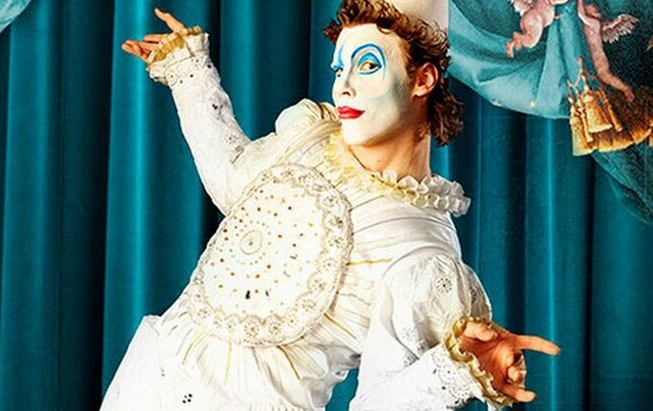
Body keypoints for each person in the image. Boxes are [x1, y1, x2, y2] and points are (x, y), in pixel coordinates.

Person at [108, 0, 560, 409]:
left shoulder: (420, 251)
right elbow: (233, 181)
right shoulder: (312, 138)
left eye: (367, 65)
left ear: (423, 79)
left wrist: (454, 370)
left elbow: (375, 403)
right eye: (340, 69)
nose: (343, 87)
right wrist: (190, 74)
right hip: (143, 385)